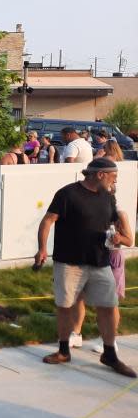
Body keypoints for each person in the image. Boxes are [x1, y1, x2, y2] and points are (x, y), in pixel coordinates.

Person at [35, 158, 135, 377]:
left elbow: (113, 225)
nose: (114, 181)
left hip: (100, 262)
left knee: (109, 306)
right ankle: (63, 351)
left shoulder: (108, 198)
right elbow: (48, 221)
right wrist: (42, 249)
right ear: (100, 174)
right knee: (65, 305)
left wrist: (120, 236)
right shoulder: (68, 194)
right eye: (113, 176)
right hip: (69, 262)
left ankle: (109, 353)